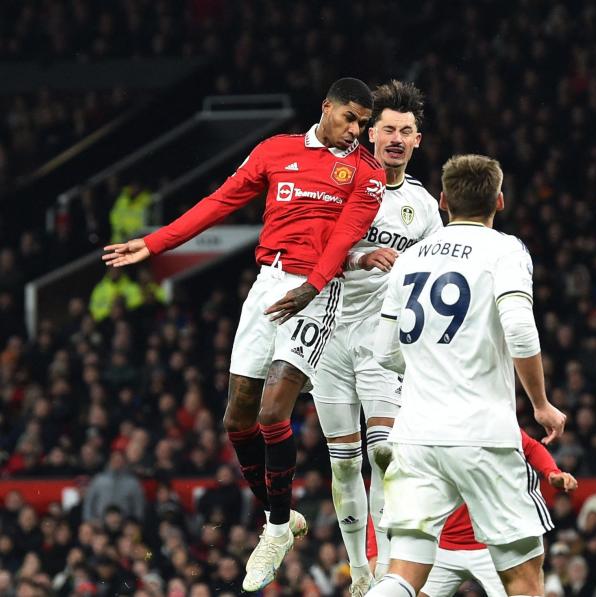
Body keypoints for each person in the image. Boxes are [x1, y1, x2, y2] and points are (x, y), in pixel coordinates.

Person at [102, 77, 386, 592]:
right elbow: (219, 201)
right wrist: (155, 243)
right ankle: (282, 516)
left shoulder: (366, 174)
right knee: (237, 418)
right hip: (267, 284)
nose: (356, 131)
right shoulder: (275, 152)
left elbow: (344, 238)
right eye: (350, 118)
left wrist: (313, 288)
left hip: (317, 290)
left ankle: (275, 531)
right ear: (327, 108)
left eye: (364, 124)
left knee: (275, 410)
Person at [368, 154, 567, 597]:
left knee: (403, 575)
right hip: (483, 436)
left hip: (415, 436)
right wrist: (540, 405)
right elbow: (518, 326)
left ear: (442, 201)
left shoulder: (408, 259)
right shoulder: (506, 250)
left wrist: (428, 365)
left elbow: (384, 352)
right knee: (523, 578)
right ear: (499, 200)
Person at [310, 80, 442, 592]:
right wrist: (359, 257)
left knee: (385, 455)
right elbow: (311, 247)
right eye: (386, 128)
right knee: (344, 466)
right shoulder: (342, 183)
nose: (394, 138)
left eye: (405, 131)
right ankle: (360, 574)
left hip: (382, 343)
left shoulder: (425, 208)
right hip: (327, 331)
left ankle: (389, 571)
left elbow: (433, 276)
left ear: (416, 142)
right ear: (370, 135)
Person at [365, 430, 578, 597]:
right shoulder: (425, 431)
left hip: (489, 547)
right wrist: (374, 551)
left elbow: (530, 446)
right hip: (443, 548)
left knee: (526, 591)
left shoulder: (485, 420)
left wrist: (553, 472)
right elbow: (387, 496)